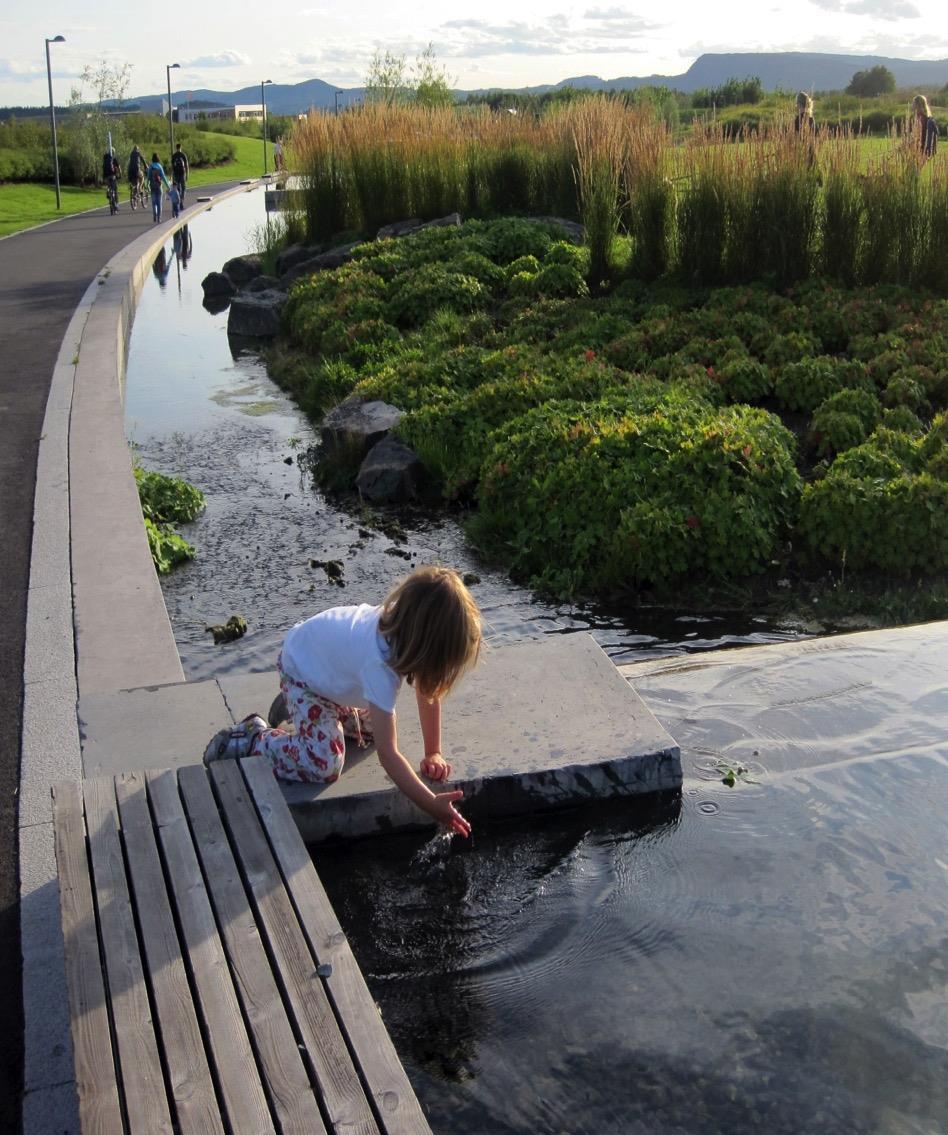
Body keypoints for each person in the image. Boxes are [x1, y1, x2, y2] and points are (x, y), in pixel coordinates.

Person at [203, 566, 482, 837]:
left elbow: (427, 689)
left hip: (332, 674)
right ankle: (253, 738)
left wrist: (433, 751)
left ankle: (305, 709)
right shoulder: (379, 663)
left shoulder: (403, 631)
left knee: (374, 729)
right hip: (302, 674)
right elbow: (389, 755)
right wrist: (431, 804)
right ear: (425, 645)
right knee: (324, 762)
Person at [147, 152, 170, 222]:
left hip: (152, 187)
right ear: (158, 158)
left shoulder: (150, 167)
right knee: (159, 203)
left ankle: (154, 214)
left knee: (154, 203)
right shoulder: (160, 166)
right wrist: (168, 186)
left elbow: (148, 177)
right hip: (159, 187)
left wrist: (146, 185)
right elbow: (163, 177)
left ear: (152, 159)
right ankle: (159, 218)